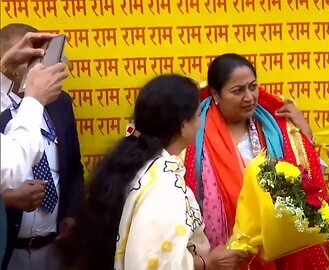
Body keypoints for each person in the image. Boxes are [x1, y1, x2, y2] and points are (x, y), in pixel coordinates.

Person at [71, 74, 247, 270]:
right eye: (198, 116)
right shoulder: (163, 188)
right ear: (182, 126)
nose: (200, 123)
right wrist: (208, 263)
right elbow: (153, 263)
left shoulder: (141, 164)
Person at [183, 53, 329, 269]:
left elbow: (306, 183)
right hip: (219, 254)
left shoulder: (275, 128)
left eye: (253, 87)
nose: (249, 97)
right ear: (216, 94)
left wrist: (306, 136)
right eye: (238, 91)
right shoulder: (194, 133)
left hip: (271, 251)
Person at [0, 23, 85, 270]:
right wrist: (7, 199)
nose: (40, 67)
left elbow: (73, 165)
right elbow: (11, 167)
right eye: (31, 60)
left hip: (52, 247)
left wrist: (72, 214)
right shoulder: (23, 106)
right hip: (8, 248)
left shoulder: (60, 103)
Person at [0, 31, 67, 189]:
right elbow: (10, 168)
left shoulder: (60, 103)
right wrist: (35, 101)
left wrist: (4, 70)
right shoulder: (34, 102)